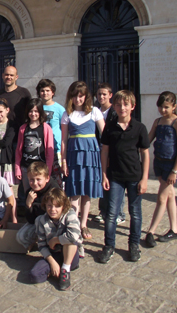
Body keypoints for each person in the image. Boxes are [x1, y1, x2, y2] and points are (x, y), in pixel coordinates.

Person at [99, 90, 150, 263]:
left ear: (132, 106)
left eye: (126, 104)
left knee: (135, 213)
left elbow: (145, 154)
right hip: (115, 177)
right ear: (114, 106)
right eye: (119, 104)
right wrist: (104, 175)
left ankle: (134, 244)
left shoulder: (139, 128)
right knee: (111, 213)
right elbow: (104, 152)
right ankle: (109, 245)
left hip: (134, 176)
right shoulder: (110, 127)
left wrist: (144, 178)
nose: (122, 108)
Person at [61, 81, 105, 240]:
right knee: (74, 191)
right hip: (74, 154)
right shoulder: (67, 114)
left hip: (90, 156)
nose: (78, 99)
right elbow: (64, 140)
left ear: (86, 97)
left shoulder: (95, 112)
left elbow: (105, 134)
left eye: (81, 96)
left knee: (87, 191)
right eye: (75, 96)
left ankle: (83, 223)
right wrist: (63, 161)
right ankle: (73, 222)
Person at [145, 91, 177, 247]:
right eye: (160, 107)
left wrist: (175, 171)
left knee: (162, 198)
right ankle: (174, 229)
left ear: (174, 106)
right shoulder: (158, 122)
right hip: (159, 163)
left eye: (166, 107)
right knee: (170, 196)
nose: (163, 110)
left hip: (170, 165)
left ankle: (151, 231)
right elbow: (148, 140)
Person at [30, 188, 81, 291]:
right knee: (34, 275)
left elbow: (74, 236)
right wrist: (52, 262)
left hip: (70, 254)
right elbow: (42, 245)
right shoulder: (41, 220)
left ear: (63, 207)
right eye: (49, 205)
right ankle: (56, 268)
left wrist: (55, 240)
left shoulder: (70, 215)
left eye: (57, 206)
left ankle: (66, 269)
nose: (53, 210)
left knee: (70, 239)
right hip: (53, 253)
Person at [93, 83, 125, 224]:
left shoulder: (115, 111)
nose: (101, 97)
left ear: (110, 95)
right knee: (103, 179)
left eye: (104, 94)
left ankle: (119, 212)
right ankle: (104, 210)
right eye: (99, 94)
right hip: (99, 148)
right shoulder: (95, 110)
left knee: (116, 180)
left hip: (112, 149)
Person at [16, 162, 59, 250]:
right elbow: (30, 220)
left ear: (47, 178)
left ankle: (51, 246)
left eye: (38, 179)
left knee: (41, 221)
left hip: (55, 224)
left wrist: (34, 205)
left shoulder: (54, 190)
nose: (35, 183)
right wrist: (28, 204)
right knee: (21, 237)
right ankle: (37, 242)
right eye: (31, 179)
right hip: (37, 222)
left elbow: (51, 213)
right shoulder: (30, 192)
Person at [15, 98, 54, 195]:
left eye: (36, 111)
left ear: (40, 112)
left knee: (42, 194)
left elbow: (50, 152)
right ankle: (28, 209)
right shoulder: (23, 128)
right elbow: (19, 150)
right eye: (31, 111)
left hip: (41, 169)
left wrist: (48, 170)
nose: (33, 114)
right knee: (28, 193)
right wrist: (17, 168)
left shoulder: (46, 128)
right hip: (26, 168)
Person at [37, 79, 65, 187]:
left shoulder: (59, 109)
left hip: (55, 148)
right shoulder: (37, 107)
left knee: (57, 177)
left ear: (52, 92)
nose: (45, 93)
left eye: (47, 90)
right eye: (42, 91)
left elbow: (64, 128)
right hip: (40, 148)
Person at [0, 66, 32, 135]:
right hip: (2, 134)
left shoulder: (24, 93)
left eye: (11, 75)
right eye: (6, 74)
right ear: (3, 76)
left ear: (16, 77)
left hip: (19, 134)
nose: (9, 77)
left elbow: (30, 112)